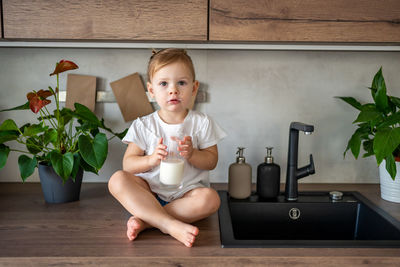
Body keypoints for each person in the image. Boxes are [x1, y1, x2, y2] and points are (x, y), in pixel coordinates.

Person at [108, 48, 226, 247]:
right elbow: (128, 165)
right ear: (152, 91)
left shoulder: (202, 122)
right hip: (149, 193)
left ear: (194, 88)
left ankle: (146, 221)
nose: (173, 90)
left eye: (181, 82)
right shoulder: (144, 125)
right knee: (117, 179)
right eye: (164, 83)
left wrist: (193, 154)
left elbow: (211, 161)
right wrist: (151, 159)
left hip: (187, 195)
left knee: (211, 199)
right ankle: (170, 225)